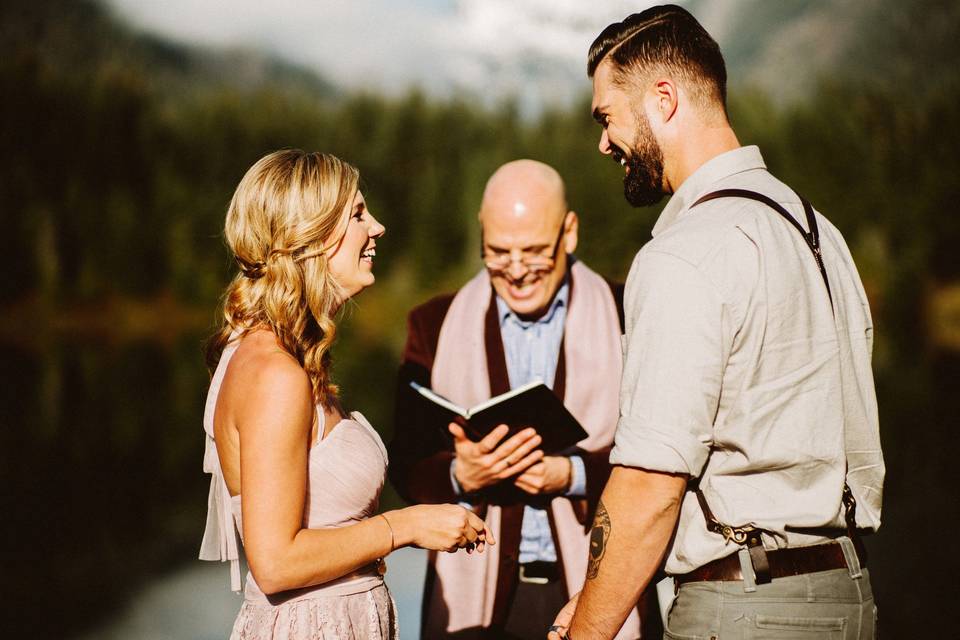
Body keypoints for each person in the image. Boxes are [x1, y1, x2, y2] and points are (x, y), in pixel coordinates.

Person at [549, 5, 885, 639]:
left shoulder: (684, 252)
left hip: (745, 610)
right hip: (850, 598)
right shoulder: (818, 232)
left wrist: (587, 629)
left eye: (607, 117)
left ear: (664, 99)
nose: (602, 143)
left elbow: (649, 486)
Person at [198, 149, 493, 639]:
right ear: (309, 238)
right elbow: (274, 561)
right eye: (357, 214)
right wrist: (405, 526)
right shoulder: (275, 373)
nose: (376, 227)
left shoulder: (282, 356)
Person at [389, 159, 649, 639]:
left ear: (568, 233)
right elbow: (405, 466)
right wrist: (460, 475)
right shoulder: (434, 323)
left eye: (532, 252)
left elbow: (661, 466)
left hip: (597, 591)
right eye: (498, 252)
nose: (515, 271)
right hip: (476, 596)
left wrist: (571, 475)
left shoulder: (626, 311)